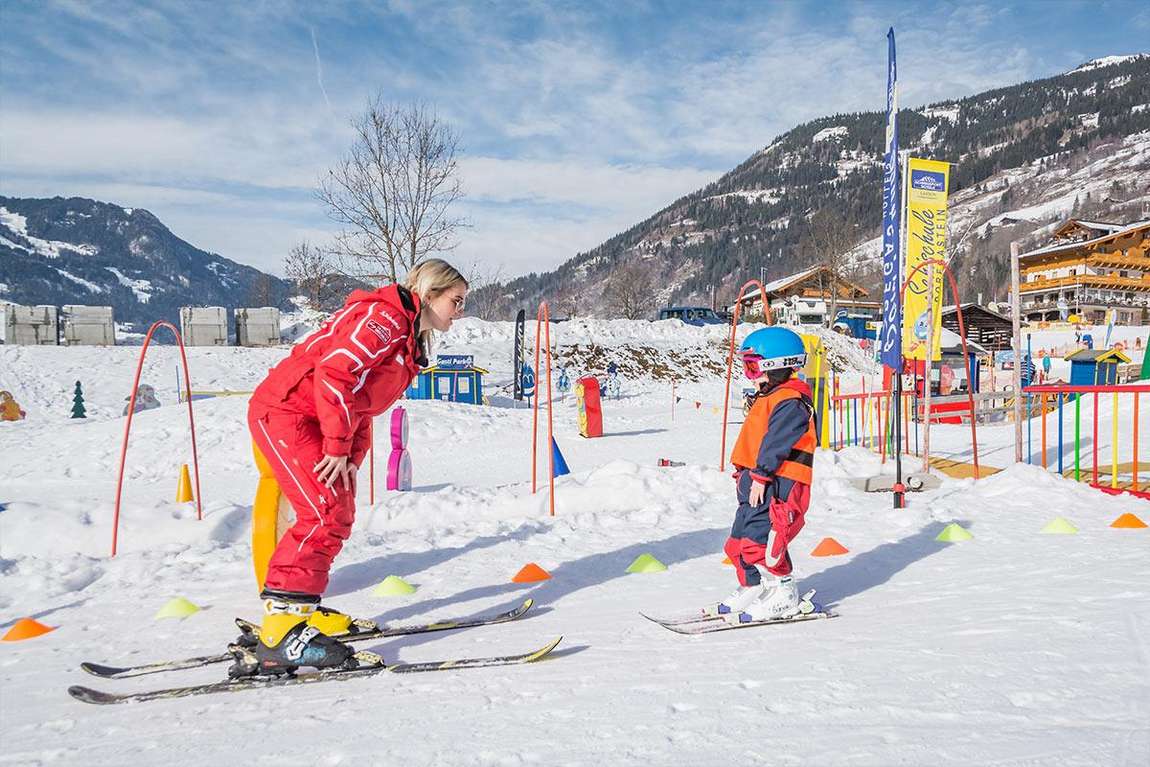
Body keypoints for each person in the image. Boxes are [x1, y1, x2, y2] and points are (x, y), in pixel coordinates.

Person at [244, 259, 467, 674]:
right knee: (324, 514)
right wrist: (335, 445)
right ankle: (280, 631)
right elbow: (334, 374)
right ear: (430, 293)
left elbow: (362, 404)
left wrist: (348, 455)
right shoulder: (384, 320)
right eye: (455, 300)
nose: (459, 310)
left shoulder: (405, 334)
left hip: (314, 418)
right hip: (287, 411)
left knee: (335, 511)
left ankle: (298, 611)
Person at [716, 326, 816, 621]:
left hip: (778, 483)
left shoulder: (791, 402)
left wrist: (760, 475)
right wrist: (745, 475)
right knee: (736, 544)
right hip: (755, 481)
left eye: (752, 366)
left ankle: (783, 592)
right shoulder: (768, 396)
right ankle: (753, 585)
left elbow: (776, 443)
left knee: (762, 545)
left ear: (774, 365)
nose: (749, 373)